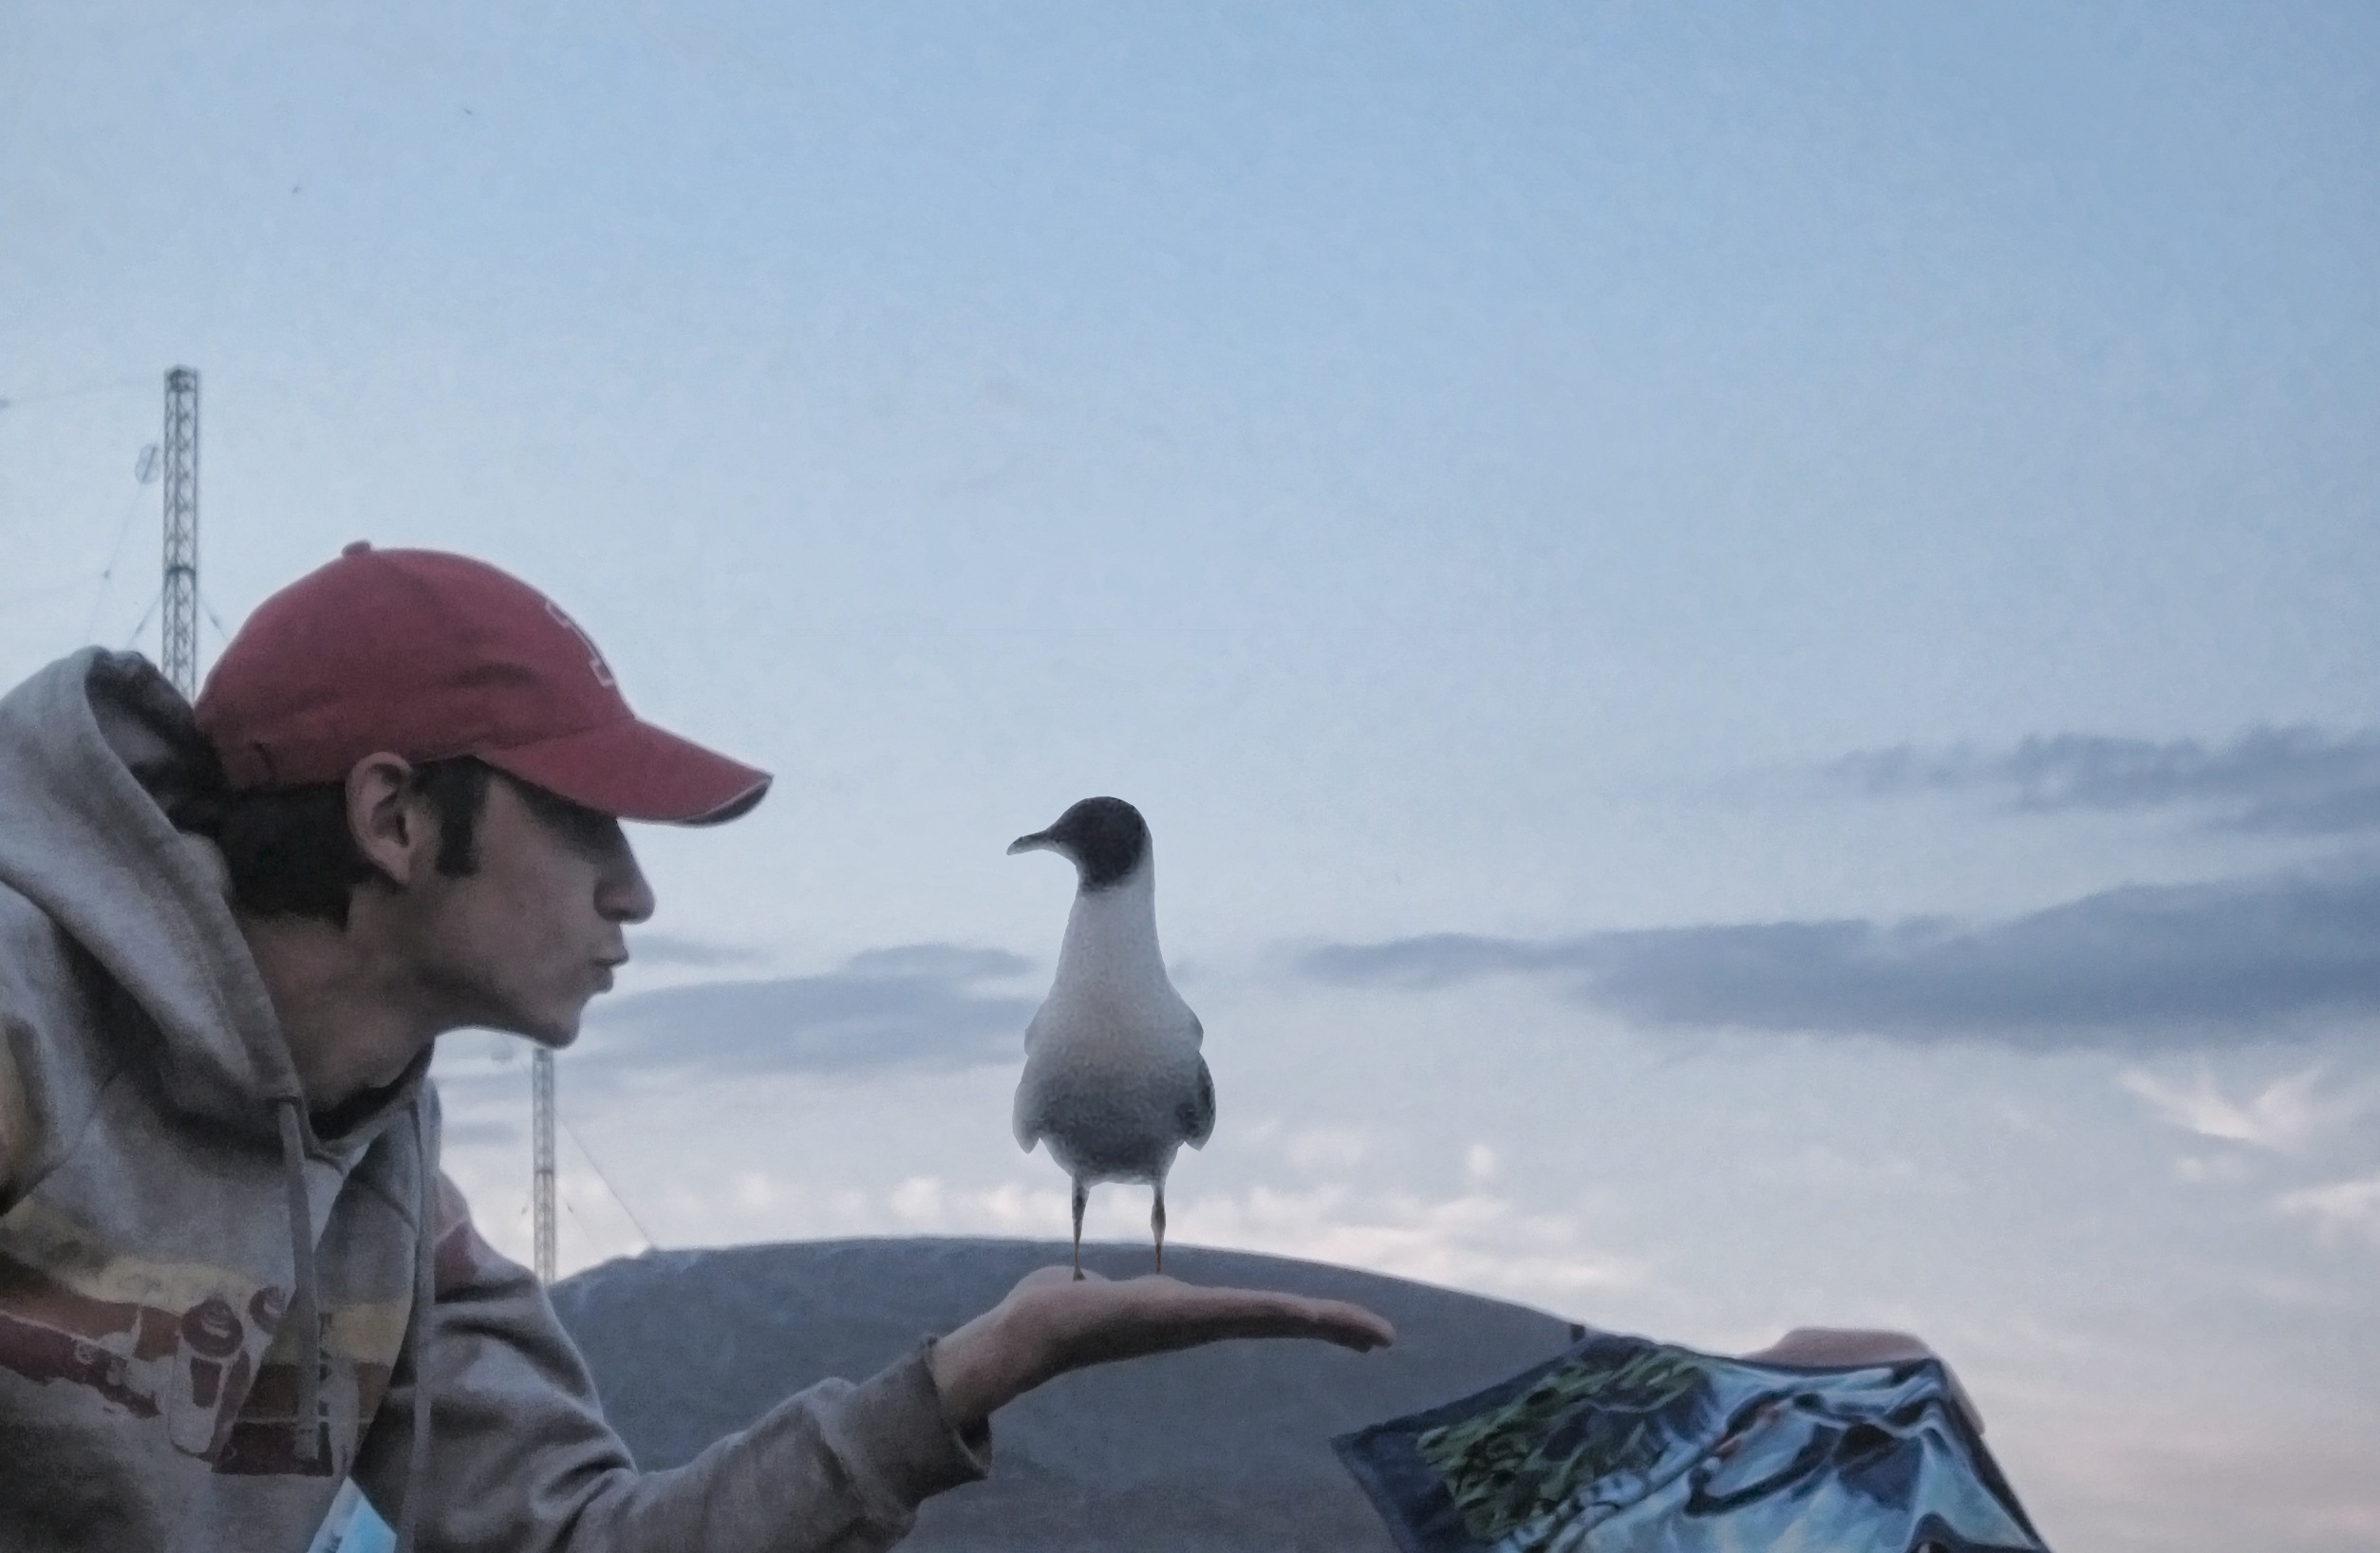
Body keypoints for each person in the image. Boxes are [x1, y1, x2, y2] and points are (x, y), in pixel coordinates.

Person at [0, 543, 1393, 1553]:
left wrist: (966, 1379)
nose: (637, 892)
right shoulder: (24, 1025)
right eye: (585, 820)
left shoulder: (394, 1208)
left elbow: (584, 1542)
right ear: (395, 818)